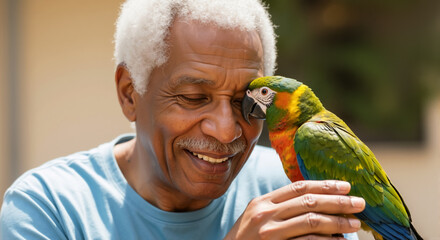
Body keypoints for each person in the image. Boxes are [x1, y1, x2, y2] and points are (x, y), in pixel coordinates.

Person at [0, 0, 365, 239]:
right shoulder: (49, 210)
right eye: (193, 98)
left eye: (243, 102)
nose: (225, 130)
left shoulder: (296, 190)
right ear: (130, 94)